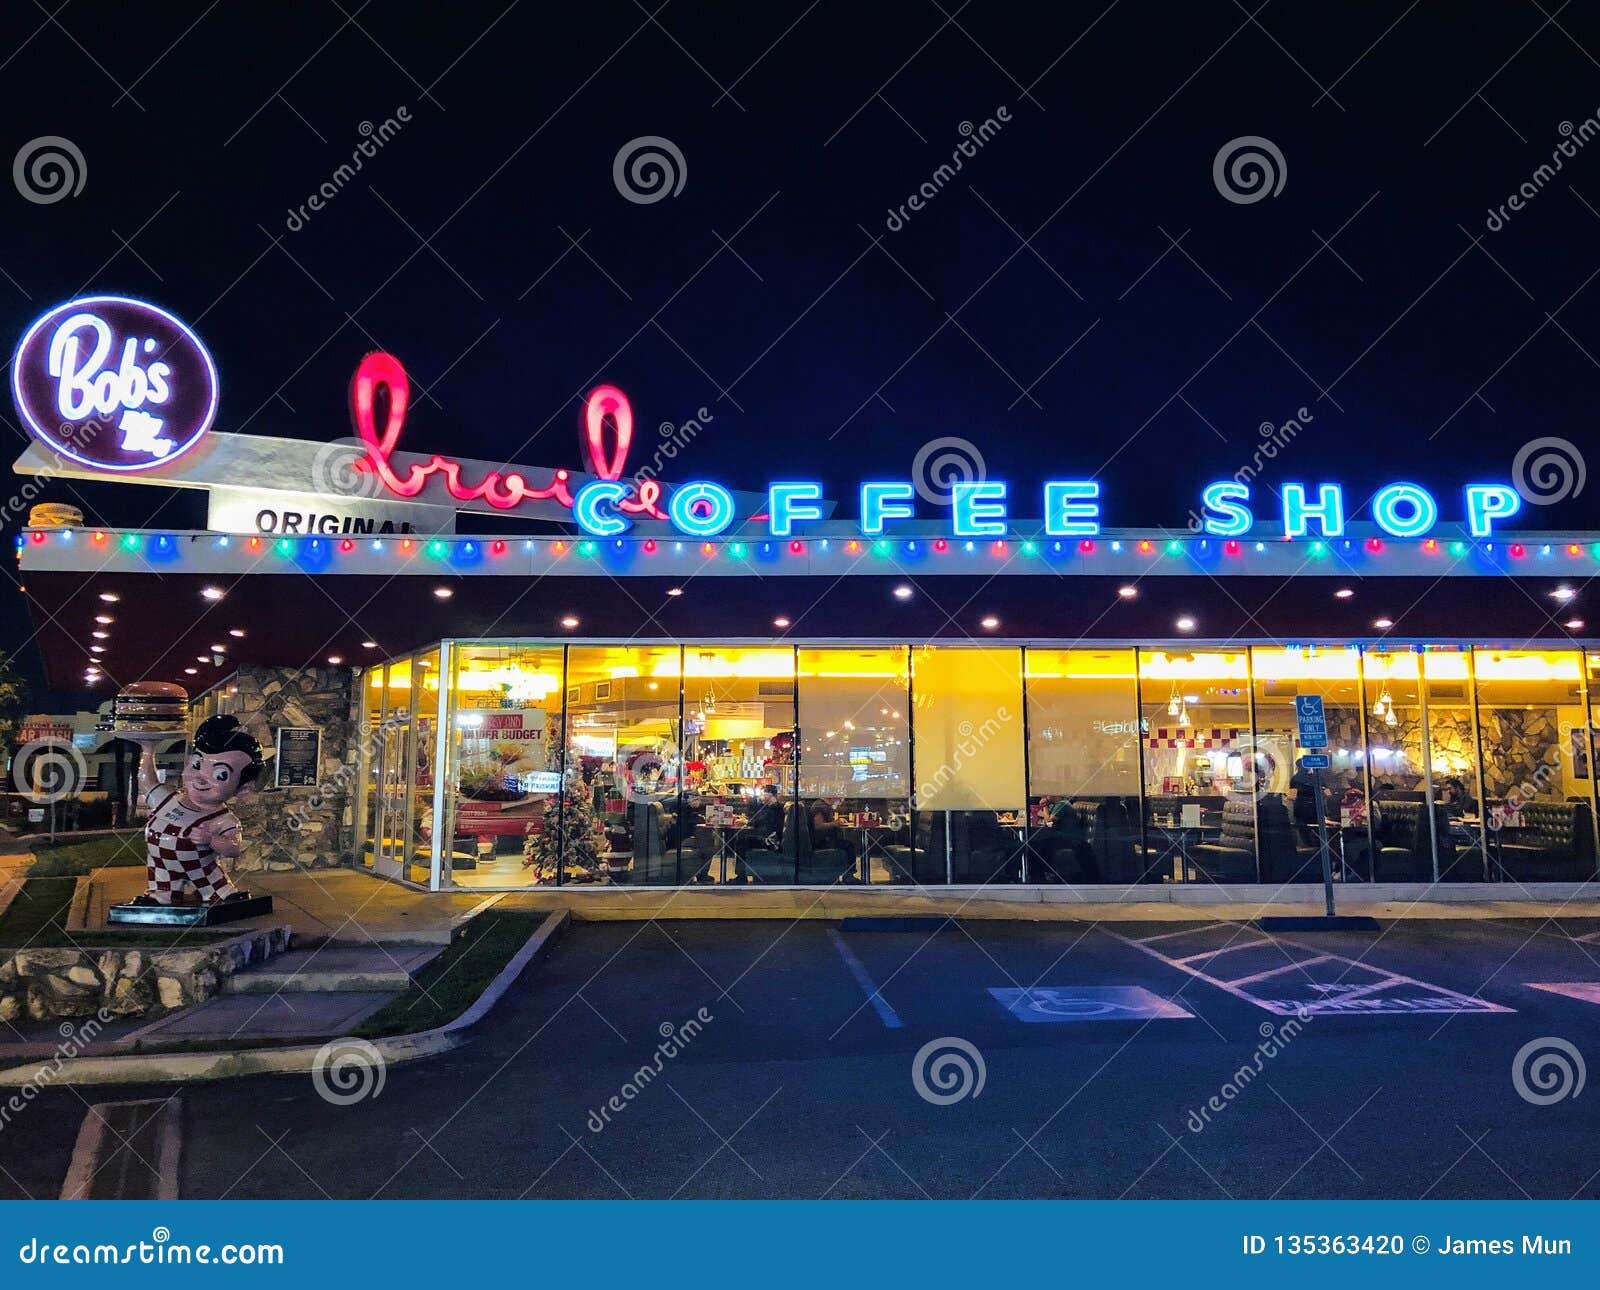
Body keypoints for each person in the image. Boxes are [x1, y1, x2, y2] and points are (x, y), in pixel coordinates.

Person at [131, 715, 262, 907]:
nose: (200, 777)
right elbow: (147, 781)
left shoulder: (223, 819)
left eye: (220, 774)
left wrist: (212, 840)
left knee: (216, 888)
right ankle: (162, 895)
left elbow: (234, 848)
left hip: (202, 870)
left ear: (243, 788)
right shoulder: (168, 799)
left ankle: (220, 893)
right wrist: (148, 749)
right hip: (162, 867)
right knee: (162, 889)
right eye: (197, 765)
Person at [1288, 757, 1321, 846]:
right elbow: (1327, 793)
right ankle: (1317, 846)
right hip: (1315, 808)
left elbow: (1292, 796)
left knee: (1304, 831)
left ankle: (1309, 846)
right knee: (1317, 829)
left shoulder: (1295, 779)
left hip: (1301, 808)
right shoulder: (1315, 777)